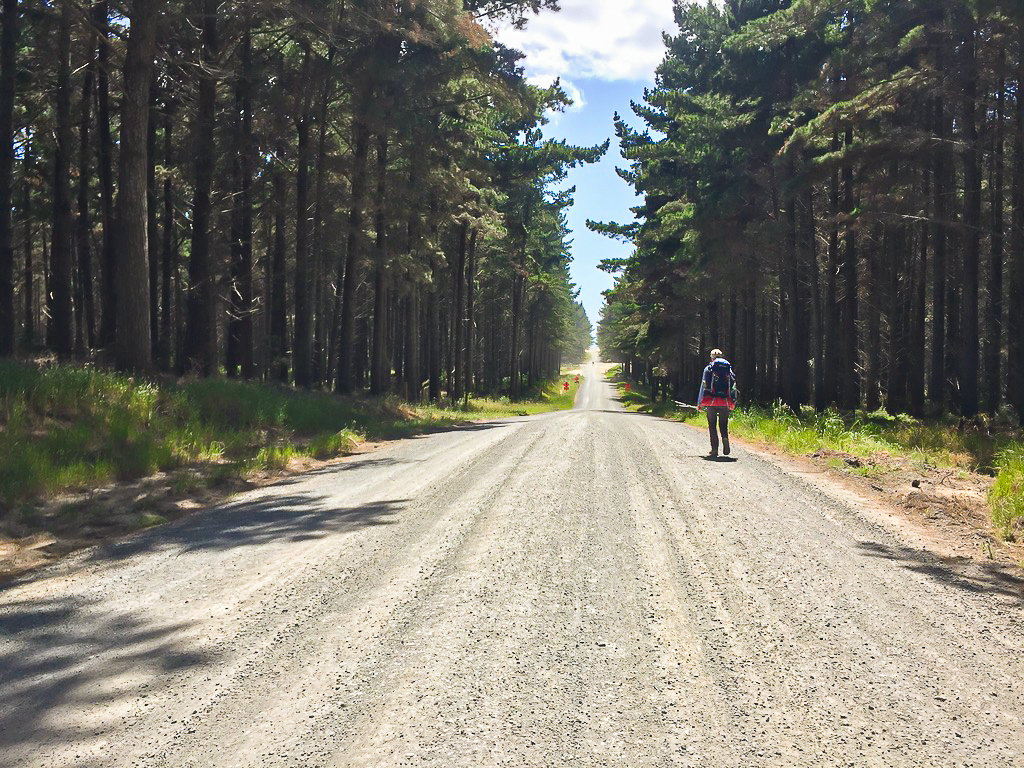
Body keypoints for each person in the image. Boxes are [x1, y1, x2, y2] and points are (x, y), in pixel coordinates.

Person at [697, 348, 736, 458]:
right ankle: (725, 439)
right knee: (723, 424)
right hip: (724, 401)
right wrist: (733, 401)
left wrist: (700, 403)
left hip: (711, 401)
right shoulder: (728, 369)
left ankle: (714, 449)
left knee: (712, 425)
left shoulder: (708, 369)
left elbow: (703, 386)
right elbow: (733, 386)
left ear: (711, 357)